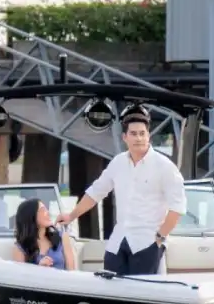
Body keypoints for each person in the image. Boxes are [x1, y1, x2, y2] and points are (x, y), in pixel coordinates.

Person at [58, 105, 185, 275]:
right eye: (133, 134)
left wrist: (160, 238)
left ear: (149, 136)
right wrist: (71, 216)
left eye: (142, 133)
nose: (139, 138)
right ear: (125, 137)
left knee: (143, 290)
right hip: (118, 241)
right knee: (110, 287)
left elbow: (177, 207)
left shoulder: (165, 167)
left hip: (147, 242)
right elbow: (96, 192)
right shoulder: (118, 163)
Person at [12, 198, 75, 270]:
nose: (47, 212)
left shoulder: (63, 237)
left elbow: (71, 271)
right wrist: (39, 269)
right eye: (42, 210)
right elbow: (20, 276)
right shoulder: (20, 248)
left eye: (46, 209)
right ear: (31, 216)